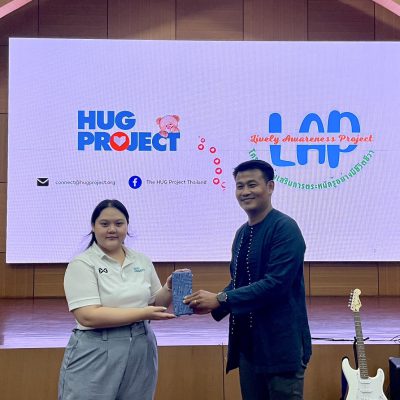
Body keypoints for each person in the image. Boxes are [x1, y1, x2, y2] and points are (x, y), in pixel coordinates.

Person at [184, 160, 312, 400]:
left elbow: (276, 284)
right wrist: (210, 303)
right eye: (240, 186)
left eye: (252, 185)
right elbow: (239, 283)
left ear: (270, 187)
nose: (245, 192)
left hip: (280, 347)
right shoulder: (242, 233)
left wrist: (221, 299)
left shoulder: (285, 228)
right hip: (249, 347)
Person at [58, 199, 179, 400]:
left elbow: (156, 305)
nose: (112, 229)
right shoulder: (82, 263)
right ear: (93, 226)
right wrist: (143, 313)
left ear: (127, 226)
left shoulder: (141, 260)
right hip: (96, 347)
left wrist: (168, 288)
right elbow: (88, 316)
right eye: (104, 224)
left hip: (141, 345)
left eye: (119, 223)